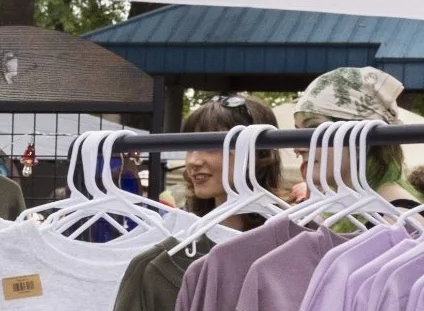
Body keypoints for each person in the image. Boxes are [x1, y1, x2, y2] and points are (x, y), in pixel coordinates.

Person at [292, 66, 418, 204]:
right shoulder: (330, 209)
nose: (297, 148)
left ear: (360, 136)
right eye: (299, 132)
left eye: (314, 129)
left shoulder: (399, 218)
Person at [173, 94, 283, 226]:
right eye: (190, 147)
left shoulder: (294, 233)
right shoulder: (178, 230)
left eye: (212, 145)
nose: (193, 161)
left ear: (256, 153)